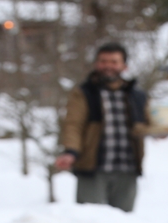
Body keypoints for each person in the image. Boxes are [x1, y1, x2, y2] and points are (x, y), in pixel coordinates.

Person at [54, 42, 152, 213]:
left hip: (128, 169)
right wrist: (71, 151)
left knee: (124, 222)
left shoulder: (137, 95)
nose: (108, 66)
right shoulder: (84, 93)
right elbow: (73, 125)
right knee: (90, 221)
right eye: (103, 61)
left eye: (114, 62)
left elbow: (148, 124)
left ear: (124, 66)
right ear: (96, 64)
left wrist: (161, 130)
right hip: (93, 170)